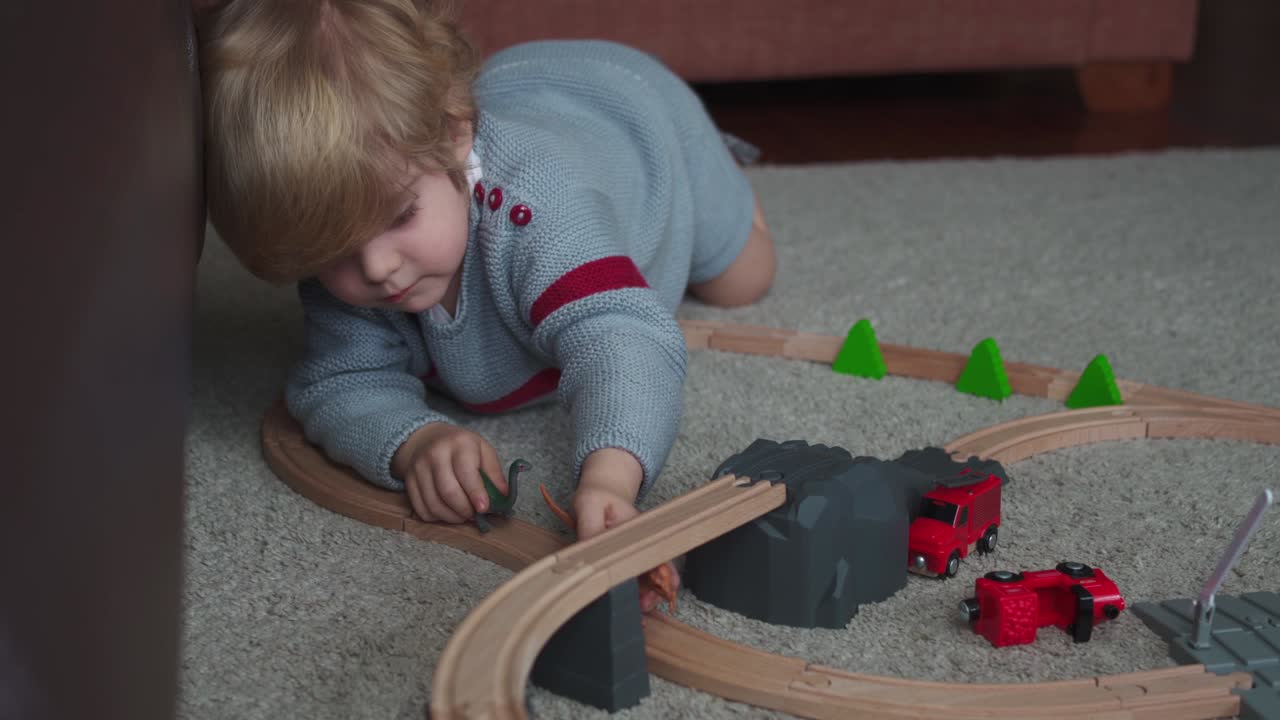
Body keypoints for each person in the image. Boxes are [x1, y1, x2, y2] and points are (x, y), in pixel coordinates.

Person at [199, 0, 775, 605]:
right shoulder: (354, 232)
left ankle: (731, 174)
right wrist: (413, 442)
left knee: (741, 280)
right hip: (524, 93)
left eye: (400, 216)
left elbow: (622, 340)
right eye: (332, 251)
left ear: (453, 135)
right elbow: (338, 383)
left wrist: (609, 476)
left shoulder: (538, 209)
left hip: (638, 117)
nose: (376, 267)